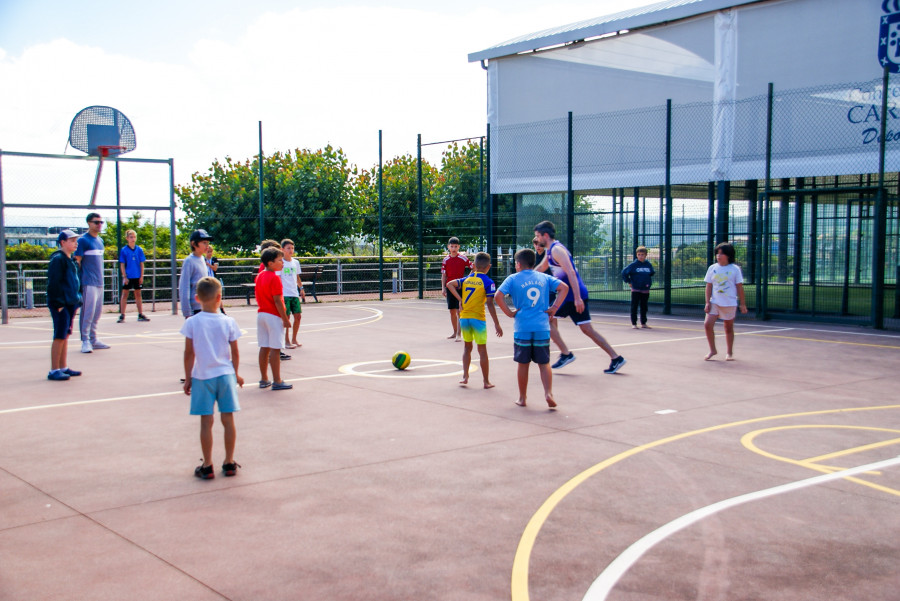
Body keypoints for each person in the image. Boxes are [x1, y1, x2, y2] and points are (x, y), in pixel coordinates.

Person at [534, 220, 626, 374]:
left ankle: (566, 354)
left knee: (546, 319)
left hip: (572, 295)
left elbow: (571, 272)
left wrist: (577, 298)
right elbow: (541, 268)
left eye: (537, 236)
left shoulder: (557, 250)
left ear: (545, 235)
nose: (536, 239)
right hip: (568, 295)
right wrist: (523, 276)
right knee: (586, 329)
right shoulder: (550, 250)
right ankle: (616, 358)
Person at [181, 277, 244, 479]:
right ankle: (229, 462)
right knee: (228, 419)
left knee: (206, 421)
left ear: (197, 298)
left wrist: (188, 377)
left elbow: (189, 352)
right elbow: (235, 351)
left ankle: (207, 464)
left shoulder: (192, 322)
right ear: (219, 297)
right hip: (225, 375)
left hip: (202, 376)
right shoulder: (228, 321)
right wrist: (236, 372)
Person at [495, 248, 568, 409]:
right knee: (544, 363)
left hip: (523, 327)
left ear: (518, 264)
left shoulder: (513, 279)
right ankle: (548, 393)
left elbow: (498, 296)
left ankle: (522, 397)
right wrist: (554, 307)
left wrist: (509, 313)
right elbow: (564, 288)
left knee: (523, 363)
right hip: (542, 327)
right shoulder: (543, 277)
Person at [446, 251, 503, 388]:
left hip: (464, 318)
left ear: (474, 265)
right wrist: (497, 323)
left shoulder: (466, 279)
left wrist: (460, 300)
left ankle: (465, 377)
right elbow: (490, 303)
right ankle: (486, 382)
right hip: (478, 319)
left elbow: (449, 284)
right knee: (482, 350)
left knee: (467, 347)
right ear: (488, 266)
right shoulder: (488, 282)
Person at [46, 230, 83, 381]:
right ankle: (54, 370)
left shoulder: (72, 260)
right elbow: (54, 283)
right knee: (60, 335)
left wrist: (77, 299)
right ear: (62, 242)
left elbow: (75, 282)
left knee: (65, 335)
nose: (76, 243)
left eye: (76, 240)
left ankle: (63, 367)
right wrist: (59, 303)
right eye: (72, 240)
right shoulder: (58, 260)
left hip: (70, 302)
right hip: (61, 303)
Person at [256, 246, 293, 390]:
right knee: (275, 349)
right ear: (270, 263)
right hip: (273, 315)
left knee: (264, 347)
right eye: (279, 260)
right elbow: (277, 300)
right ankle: (277, 380)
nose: (282, 263)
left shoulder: (260, 276)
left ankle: (264, 379)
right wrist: (285, 318)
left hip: (262, 314)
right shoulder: (274, 278)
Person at [703, 242, 748, 361]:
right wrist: (707, 302)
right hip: (715, 302)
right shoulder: (712, 268)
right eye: (717, 253)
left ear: (728, 255)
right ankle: (712, 350)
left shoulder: (735, 269)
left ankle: (729, 352)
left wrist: (742, 304)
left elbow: (739, 287)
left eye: (721, 253)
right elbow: (708, 286)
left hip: (729, 303)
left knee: (728, 327)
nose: (719, 256)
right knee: (707, 324)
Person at [74, 213, 109, 353]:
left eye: (101, 222)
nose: (99, 224)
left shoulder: (100, 240)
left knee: (97, 312)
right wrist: (80, 280)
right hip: (88, 282)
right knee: (87, 312)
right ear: (89, 223)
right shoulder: (83, 240)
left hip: (100, 282)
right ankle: (85, 340)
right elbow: (78, 261)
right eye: (96, 222)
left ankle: (94, 339)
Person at [440, 236, 472, 341]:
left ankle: (459, 334)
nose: (453, 248)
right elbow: (444, 275)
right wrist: (443, 288)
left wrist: (467, 279)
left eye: (455, 246)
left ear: (458, 247)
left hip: (460, 286)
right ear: (448, 247)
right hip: (450, 287)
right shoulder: (445, 260)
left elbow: (473, 267)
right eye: (451, 246)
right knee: (452, 311)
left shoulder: (463, 258)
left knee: (459, 310)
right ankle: (454, 332)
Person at [117, 229, 150, 323]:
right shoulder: (124, 250)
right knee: (125, 294)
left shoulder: (139, 250)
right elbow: (122, 264)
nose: (133, 239)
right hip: (128, 275)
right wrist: (124, 276)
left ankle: (140, 314)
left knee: (138, 294)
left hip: (137, 275)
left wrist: (141, 276)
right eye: (131, 237)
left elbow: (141, 263)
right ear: (127, 238)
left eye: (134, 237)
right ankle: (122, 314)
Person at [179, 229, 213, 319]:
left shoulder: (202, 259)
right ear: (194, 244)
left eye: (207, 243)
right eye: (204, 243)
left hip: (204, 306)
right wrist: (187, 312)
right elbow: (184, 287)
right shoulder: (189, 261)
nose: (207, 246)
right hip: (195, 309)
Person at [280, 238, 305, 349]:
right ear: (282, 249)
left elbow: (297, 277)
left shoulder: (295, 262)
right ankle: (286, 340)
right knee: (287, 317)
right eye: (288, 248)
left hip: (294, 293)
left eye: (292, 248)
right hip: (284, 293)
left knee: (298, 316)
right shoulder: (280, 262)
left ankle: (294, 338)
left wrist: (301, 288)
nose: (291, 250)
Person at [621, 246, 655, 329]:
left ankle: (643, 323)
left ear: (646, 255)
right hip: (636, 289)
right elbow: (624, 273)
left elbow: (651, 273)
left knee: (644, 306)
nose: (640, 256)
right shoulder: (633, 265)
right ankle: (634, 323)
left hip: (645, 289)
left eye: (642, 254)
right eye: (639, 254)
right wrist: (629, 281)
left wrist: (647, 282)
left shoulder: (648, 265)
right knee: (634, 306)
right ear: (636, 255)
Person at [205, 244, 226, 315]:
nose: (209, 253)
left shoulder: (214, 259)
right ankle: (207, 310)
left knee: (217, 294)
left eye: (211, 252)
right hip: (206, 280)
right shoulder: (202, 259)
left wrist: (208, 264)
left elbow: (215, 268)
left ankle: (222, 310)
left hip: (213, 280)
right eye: (208, 252)